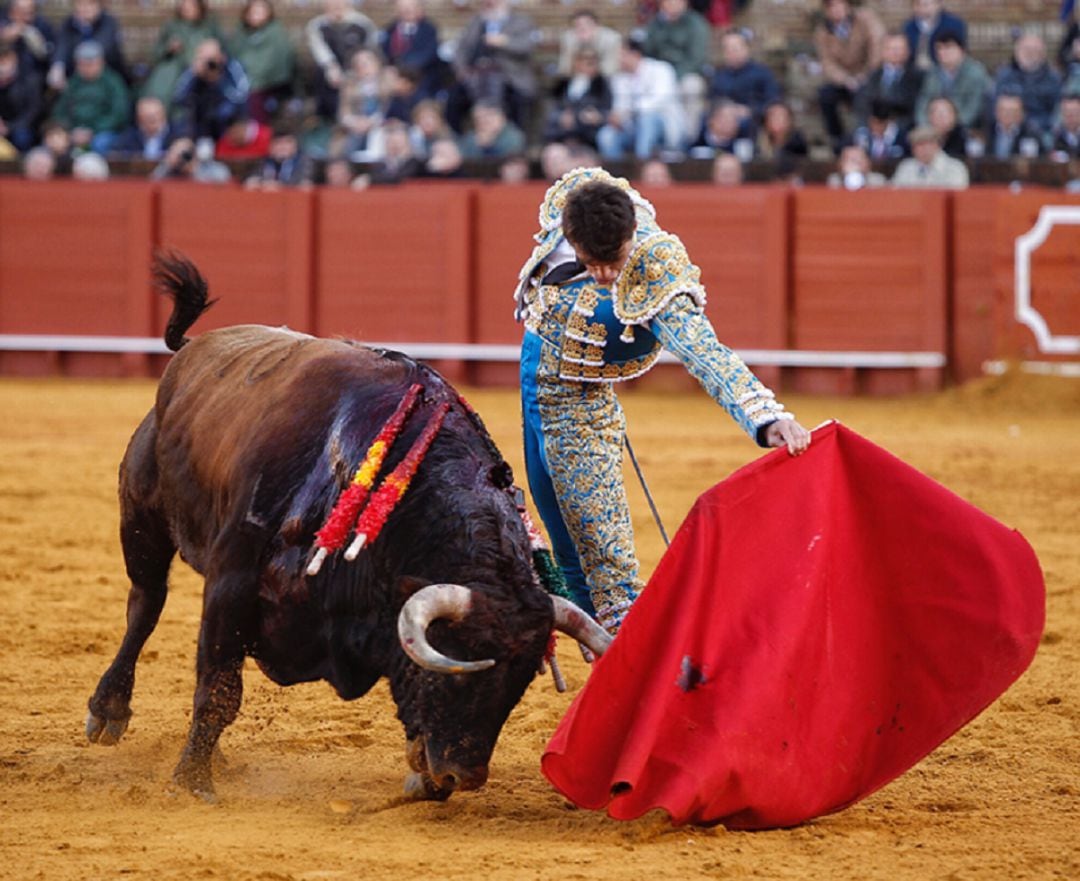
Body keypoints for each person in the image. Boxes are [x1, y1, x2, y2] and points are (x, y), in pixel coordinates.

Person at [513, 167, 809, 633]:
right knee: (567, 548)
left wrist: (766, 416)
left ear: (632, 234)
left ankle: (636, 689)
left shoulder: (655, 268)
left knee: (607, 574)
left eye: (616, 260)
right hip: (534, 375)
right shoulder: (573, 206)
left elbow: (704, 351)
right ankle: (608, 686)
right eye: (594, 264)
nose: (608, 274)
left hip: (580, 406)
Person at [449, 0, 538, 132]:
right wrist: (461, 70)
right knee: (453, 100)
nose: (490, 3)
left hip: (509, 76)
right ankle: (461, 142)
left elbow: (527, 47)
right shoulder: (476, 21)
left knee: (518, 102)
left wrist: (504, 42)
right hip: (474, 76)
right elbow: (461, 49)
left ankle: (515, 142)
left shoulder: (521, 21)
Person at [813, 0, 886, 153]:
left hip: (868, 75)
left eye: (839, 5)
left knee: (864, 97)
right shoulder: (823, 32)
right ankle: (836, 139)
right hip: (844, 79)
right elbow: (827, 62)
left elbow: (877, 45)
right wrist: (846, 79)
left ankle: (865, 138)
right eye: (831, 6)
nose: (836, 10)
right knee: (825, 96)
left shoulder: (865, 20)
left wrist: (866, 74)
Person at [596, 36, 684, 160]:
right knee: (606, 135)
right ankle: (616, 176)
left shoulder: (661, 69)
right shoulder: (619, 79)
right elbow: (620, 106)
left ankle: (641, 167)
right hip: (631, 127)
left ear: (635, 54)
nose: (619, 59)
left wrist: (630, 110)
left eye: (622, 55)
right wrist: (617, 117)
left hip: (665, 124)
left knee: (647, 119)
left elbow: (660, 100)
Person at [643, 0, 711, 138]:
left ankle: (690, 137)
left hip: (684, 74)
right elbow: (647, 52)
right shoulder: (655, 24)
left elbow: (696, 59)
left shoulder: (696, 24)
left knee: (691, 87)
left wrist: (674, 77)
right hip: (659, 75)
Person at [48, 39, 128, 155]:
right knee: (54, 142)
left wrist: (92, 131)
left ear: (101, 62)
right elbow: (60, 111)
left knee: (100, 143)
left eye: (91, 64)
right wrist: (70, 131)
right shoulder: (73, 83)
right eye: (82, 64)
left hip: (102, 132)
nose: (86, 69)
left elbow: (119, 114)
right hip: (74, 131)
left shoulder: (113, 83)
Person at [141, 0, 223, 106]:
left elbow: (222, 50)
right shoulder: (172, 26)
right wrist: (169, 48)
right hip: (176, 71)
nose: (187, 9)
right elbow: (155, 54)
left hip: (203, 71)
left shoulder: (209, 26)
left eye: (191, 6)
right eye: (184, 6)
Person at [305, 0, 377, 120]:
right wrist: (330, 66)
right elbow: (319, 49)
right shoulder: (317, 25)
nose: (336, 6)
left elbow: (369, 47)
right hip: (330, 73)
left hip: (356, 70)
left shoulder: (362, 23)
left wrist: (355, 71)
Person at [227, 0, 295, 123]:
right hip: (243, 79)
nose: (256, 15)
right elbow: (234, 55)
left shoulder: (275, 32)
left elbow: (278, 60)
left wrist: (256, 78)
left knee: (255, 97)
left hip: (271, 82)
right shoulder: (241, 32)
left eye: (261, 12)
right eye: (254, 12)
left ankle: (260, 130)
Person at [171, 37, 250, 142]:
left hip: (229, 122)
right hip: (202, 121)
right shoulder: (193, 72)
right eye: (205, 59)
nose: (210, 64)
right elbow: (178, 97)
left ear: (222, 56)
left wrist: (218, 81)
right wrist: (193, 74)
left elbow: (241, 96)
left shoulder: (233, 66)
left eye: (212, 59)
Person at [913, 29, 990, 131]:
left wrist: (951, 126)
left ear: (962, 50)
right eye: (939, 48)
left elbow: (973, 108)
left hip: (965, 129)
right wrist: (925, 125)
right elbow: (923, 102)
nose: (943, 52)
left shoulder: (976, 74)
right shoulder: (933, 74)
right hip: (933, 129)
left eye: (948, 47)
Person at [708, 27, 780, 129]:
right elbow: (712, 101)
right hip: (724, 123)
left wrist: (750, 111)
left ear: (746, 48)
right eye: (727, 49)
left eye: (735, 48)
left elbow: (773, 102)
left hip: (754, 122)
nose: (731, 52)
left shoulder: (762, 73)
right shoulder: (719, 75)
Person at [993, 33, 1061, 140]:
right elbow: (995, 104)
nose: (1030, 53)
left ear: (1043, 54)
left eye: (1035, 50)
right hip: (1009, 129)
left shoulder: (1053, 79)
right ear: (1016, 52)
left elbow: (1058, 110)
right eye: (1026, 49)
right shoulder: (1004, 76)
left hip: (1043, 130)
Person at [542, 46, 612, 149]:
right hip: (561, 136)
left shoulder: (601, 86)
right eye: (586, 62)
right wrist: (561, 117)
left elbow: (607, 113)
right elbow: (552, 109)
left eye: (592, 63)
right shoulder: (563, 84)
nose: (589, 67)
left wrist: (597, 116)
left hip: (587, 137)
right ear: (576, 63)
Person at [48, 0, 126, 90]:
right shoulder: (69, 24)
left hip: (106, 74)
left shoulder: (108, 22)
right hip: (76, 75)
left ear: (99, 6)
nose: (85, 8)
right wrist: (58, 67)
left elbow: (98, 48)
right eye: (81, 4)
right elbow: (62, 46)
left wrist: (84, 27)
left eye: (90, 4)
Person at [856, 32, 923, 132]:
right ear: (883, 51)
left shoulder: (917, 76)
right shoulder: (873, 76)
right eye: (891, 49)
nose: (895, 53)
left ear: (908, 51)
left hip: (903, 130)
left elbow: (914, 108)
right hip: (873, 129)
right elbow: (863, 104)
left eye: (899, 48)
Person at [379, 0, 443, 100]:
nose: (407, 10)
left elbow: (429, 54)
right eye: (403, 7)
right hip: (394, 78)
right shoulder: (390, 30)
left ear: (420, 9)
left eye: (411, 6)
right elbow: (384, 54)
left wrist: (403, 72)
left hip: (422, 78)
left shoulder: (429, 29)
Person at [891, 124, 968, 187]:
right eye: (919, 145)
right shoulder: (906, 167)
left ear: (938, 145)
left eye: (928, 144)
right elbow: (896, 192)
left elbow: (957, 195)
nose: (924, 149)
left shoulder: (955, 167)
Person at [0, 37, 41, 152]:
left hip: (20, 126)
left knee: (22, 137)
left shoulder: (29, 79)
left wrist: (10, 127)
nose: (2, 65)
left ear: (14, 59)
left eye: (5, 60)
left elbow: (34, 110)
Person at [902, 0, 966, 70]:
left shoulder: (954, 25)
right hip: (914, 71)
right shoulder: (909, 26)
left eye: (926, 5)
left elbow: (959, 54)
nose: (922, 8)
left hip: (943, 70)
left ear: (938, 5)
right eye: (918, 4)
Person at [556, 9, 621, 79]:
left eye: (587, 24)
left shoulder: (611, 38)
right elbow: (564, 67)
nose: (582, 28)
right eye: (577, 25)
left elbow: (611, 67)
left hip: (605, 79)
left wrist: (590, 70)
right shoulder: (568, 38)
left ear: (596, 25)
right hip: (577, 77)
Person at [0, 0, 54, 78]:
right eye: (24, 13)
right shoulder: (3, 21)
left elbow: (51, 51)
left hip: (32, 72)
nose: (28, 18)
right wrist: (3, 39)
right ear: (13, 12)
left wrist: (39, 45)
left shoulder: (41, 24)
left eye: (31, 13)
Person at [458, 97, 525, 160]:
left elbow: (506, 159)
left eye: (488, 116)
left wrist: (486, 146)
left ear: (502, 116)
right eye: (478, 118)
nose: (482, 121)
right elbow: (464, 158)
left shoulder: (513, 136)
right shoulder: (470, 138)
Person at [112, 95, 175, 160]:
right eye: (148, 117)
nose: (153, 119)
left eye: (156, 115)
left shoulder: (177, 135)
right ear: (139, 120)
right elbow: (115, 155)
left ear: (164, 115)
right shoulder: (129, 137)